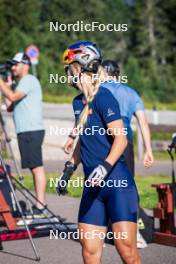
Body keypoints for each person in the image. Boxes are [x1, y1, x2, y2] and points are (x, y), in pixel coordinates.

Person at [57, 41, 141, 264]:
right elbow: (83, 140)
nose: (67, 73)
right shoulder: (77, 103)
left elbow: (121, 140)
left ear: (82, 67)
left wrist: (104, 168)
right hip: (92, 187)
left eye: (70, 68)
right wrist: (69, 170)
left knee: (128, 252)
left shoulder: (104, 97)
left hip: (117, 184)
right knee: (89, 251)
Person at [64, 60, 154, 175]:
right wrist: (148, 150)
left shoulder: (97, 90)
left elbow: (83, 117)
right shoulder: (131, 93)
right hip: (125, 141)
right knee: (126, 180)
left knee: (97, 181)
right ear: (118, 74)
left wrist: (72, 137)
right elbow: (143, 123)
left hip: (102, 142)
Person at [0, 52, 47, 215]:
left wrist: (1, 83)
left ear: (25, 64)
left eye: (15, 64)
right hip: (25, 130)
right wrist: (7, 84)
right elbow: (10, 105)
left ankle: (40, 206)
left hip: (31, 129)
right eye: (11, 65)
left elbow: (12, 96)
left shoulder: (29, 80)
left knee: (36, 168)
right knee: (33, 167)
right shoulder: (20, 83)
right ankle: (39, 204)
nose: (12, 67)